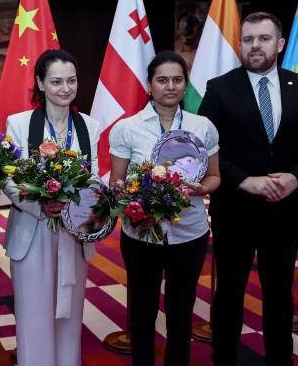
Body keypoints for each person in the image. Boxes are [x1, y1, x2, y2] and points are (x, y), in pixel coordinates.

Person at [198, 12, 298, 366]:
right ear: (240, 45)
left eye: (264, 38)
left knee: (279, 292)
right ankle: (224, 359)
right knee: (229, 291)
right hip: (234, 208)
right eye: (248, 40)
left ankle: (280, 360)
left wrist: (295, 177)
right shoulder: (219, 87)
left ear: (280, 44)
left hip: (284, 207)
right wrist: (244, 180)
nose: (255, 45)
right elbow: (204, 147)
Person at [109, 51, 221, 366]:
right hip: (142, 235)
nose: (170, 86)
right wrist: (134, 212)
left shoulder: (203, 126)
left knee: (181, 316)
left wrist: (203, 188)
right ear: (149, 84)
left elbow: (214, 177)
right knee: (143, 316)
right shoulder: (127, 128)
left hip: (190, 233)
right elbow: (116, 184)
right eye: (162, 79)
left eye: (177, 79)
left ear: (185, 84)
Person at [3, 49, 100, 366]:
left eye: (71, 80)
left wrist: (88, 204)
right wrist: (39, 205)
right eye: (56, 81)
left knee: (70, 316)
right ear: (40, 83)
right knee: (34, 315)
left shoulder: (89, 126)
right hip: (32, 231)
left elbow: (94, 177)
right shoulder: (19, 123)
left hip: (74, 233)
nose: (65, 88)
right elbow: (8, 178)